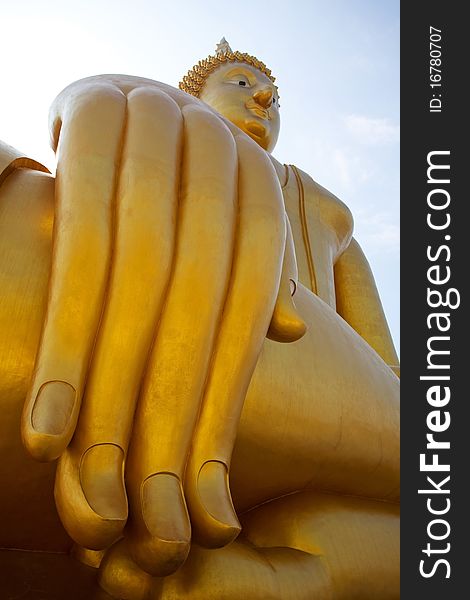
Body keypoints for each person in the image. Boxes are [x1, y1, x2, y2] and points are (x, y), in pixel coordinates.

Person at [0, 40, 399, 599]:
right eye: (240, 83)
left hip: (295, 377)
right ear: (194, 95)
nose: (264, 97)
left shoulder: (329, 217)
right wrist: (104, 92)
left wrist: (329, 575)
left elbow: (398, 389)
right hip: (120, 334)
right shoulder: (141, 141)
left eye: (275, 97)